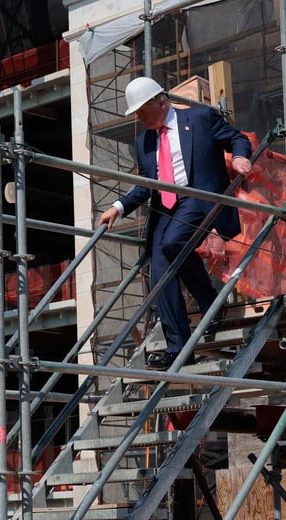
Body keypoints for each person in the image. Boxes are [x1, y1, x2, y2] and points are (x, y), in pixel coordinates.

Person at [98, 76, 252, 369]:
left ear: (161, 102)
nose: (140, 118)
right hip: (165, 207)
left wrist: (241, 157)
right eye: (136, 113)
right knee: (160, 272)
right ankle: (178, 347)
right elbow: (145, 185)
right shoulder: (143, 141)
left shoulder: (201, 117)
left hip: (198, 196)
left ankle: (209, 300)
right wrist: (118, 207)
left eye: (143, 111)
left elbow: (236, 138)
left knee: (172, 243)